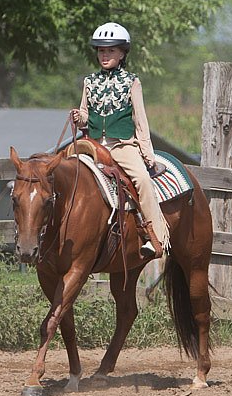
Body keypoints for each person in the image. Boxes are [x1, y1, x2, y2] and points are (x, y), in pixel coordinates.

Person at [69, 22, 168, 258]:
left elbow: (140, 121)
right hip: (91, 146)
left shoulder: (132, 82)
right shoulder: (89, 81)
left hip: (122, 145)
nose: (105, 55)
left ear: (122, 53)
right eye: (101, 50)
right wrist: (79, 116)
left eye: (111, 50)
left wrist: (147, 155)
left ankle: (157, 238)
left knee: (143, 180)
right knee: (63, 174)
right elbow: (84, 116)